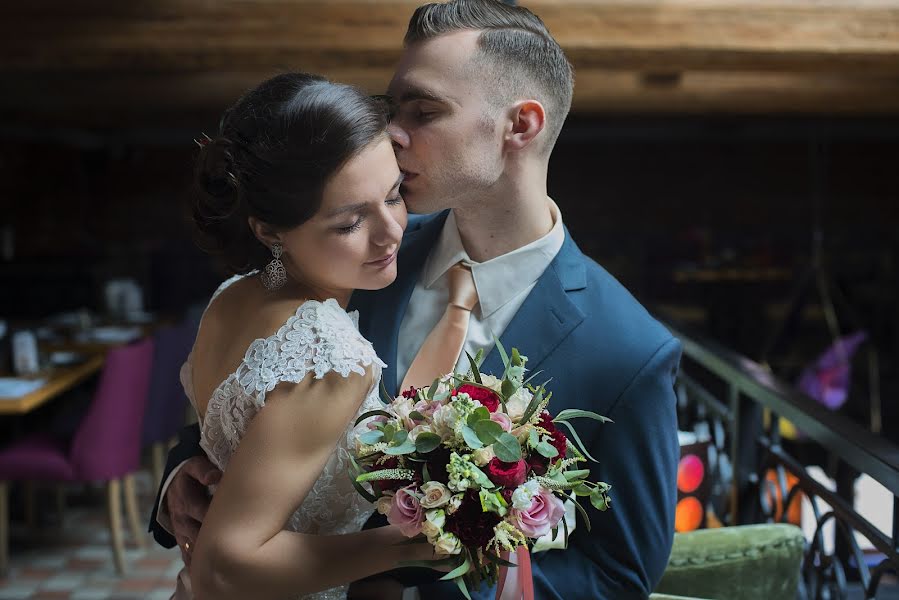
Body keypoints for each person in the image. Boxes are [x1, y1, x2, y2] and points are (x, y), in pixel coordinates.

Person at [152, 2, 682, 598]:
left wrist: (449, 564)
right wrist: (182, 476)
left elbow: (619, 576)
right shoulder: (351, 256)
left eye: (424, 111)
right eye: (392, 107)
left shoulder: (629, 351)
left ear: (520, 126)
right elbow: (253, 397)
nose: (393, 132)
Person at [167, 72, 437, 600]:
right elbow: (224, 569)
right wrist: (418, 543)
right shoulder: (327, 352)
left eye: (394, 195)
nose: (391, 232)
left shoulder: (235, 294)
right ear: (268, 230)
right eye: (348, 222)